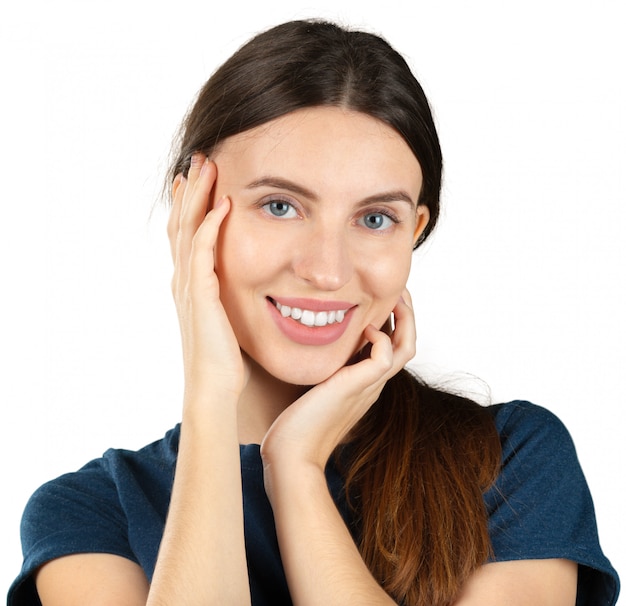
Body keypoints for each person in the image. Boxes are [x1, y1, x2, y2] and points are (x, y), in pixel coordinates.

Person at [7, 19, 619, 606]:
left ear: (415, 232)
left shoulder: (510, 460)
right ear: (191, 208)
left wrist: (295, 470)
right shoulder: (90, 514)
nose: (327, 270)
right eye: (280, 205)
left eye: (376, 219)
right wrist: (210, 397)